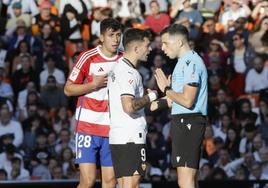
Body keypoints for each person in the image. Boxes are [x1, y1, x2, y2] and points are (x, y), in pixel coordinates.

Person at [64, 18, 122, 188]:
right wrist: (92, 85)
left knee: (110, 182)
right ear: (101, 37)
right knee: (87, 181)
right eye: (111, 35)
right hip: (88, 127)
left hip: (112, 128)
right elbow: (68, 89)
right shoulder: (87, 57)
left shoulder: (124, 59)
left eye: (118, 35)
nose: (116, 39)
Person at [151, 24, 208, 188]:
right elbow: (174, 100)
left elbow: (187, 101)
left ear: (180, 42)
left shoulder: (191, 63)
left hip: (189, 121)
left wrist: (166, 89)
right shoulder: (182, 63)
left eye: (165, 43)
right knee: (188, 180)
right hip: (184, 121)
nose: (162, 48)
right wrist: (152, 101)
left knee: (186, 180)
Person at [108, 28, 157, 188]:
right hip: (130, 135)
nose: (150, 49)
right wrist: (151, 97)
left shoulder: (119, 67)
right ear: (136, 48)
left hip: (120, 134)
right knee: (132, 184)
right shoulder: (129, 73)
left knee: (124, 184)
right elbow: (129, 106)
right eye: (147, 45)